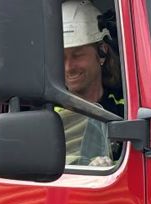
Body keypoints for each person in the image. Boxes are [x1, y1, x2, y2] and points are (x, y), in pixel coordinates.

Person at [58, 0, 125, 166]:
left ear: (102, 52)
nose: (68, 67)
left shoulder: (127, 109)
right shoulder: (49, 116)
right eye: (62, 57)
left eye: (77, 55)